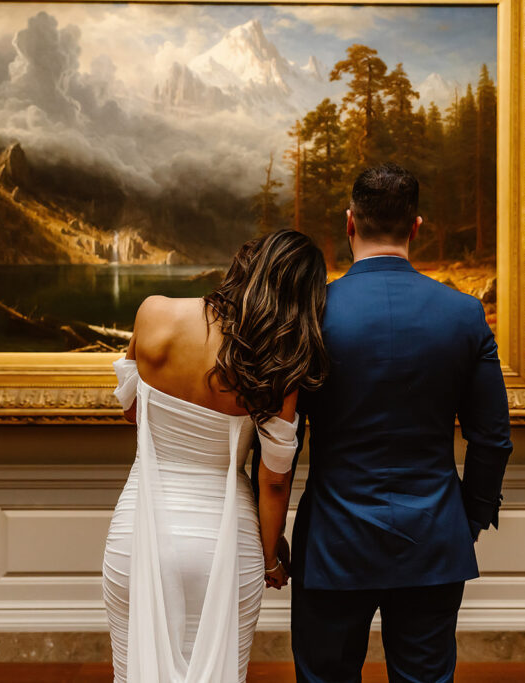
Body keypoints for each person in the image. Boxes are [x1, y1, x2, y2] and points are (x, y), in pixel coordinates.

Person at [285, 163, 513, 683]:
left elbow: (284, 436)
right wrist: (469, 518)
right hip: (433, 535)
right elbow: (492, 439)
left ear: (350, 224)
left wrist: (269, 526)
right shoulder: (463, 314)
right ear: (416, 227)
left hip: (332, 538)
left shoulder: (312, 311)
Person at [103, 230, 328, 682]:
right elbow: (274, 481)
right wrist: (270, 556)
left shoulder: (154, 313)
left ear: (243, 263)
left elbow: (132, 411)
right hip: (226, 540)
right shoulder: (279, 365)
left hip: (139, 529)